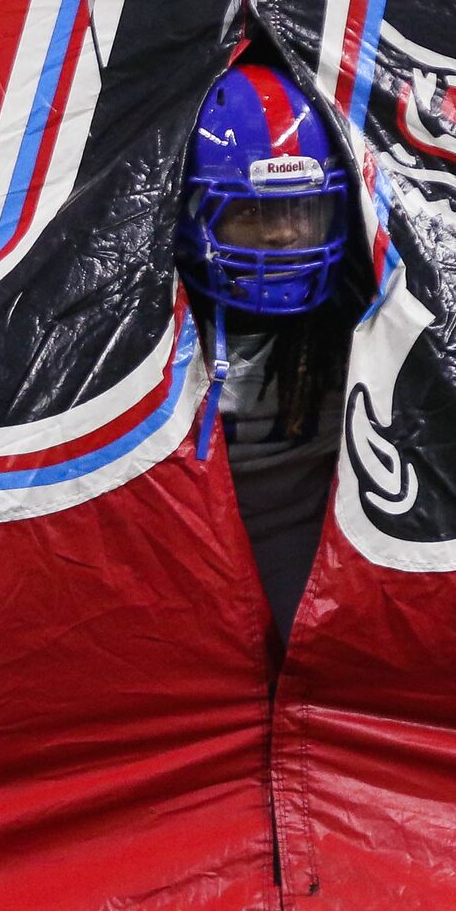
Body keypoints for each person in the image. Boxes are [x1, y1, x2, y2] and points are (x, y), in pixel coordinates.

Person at [175, 58, 359, 651]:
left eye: (299, 209)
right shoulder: (155, 325)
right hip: (182, 568)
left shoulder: (358, 320)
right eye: (254, 211)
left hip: (310, 567)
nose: (282, 235)